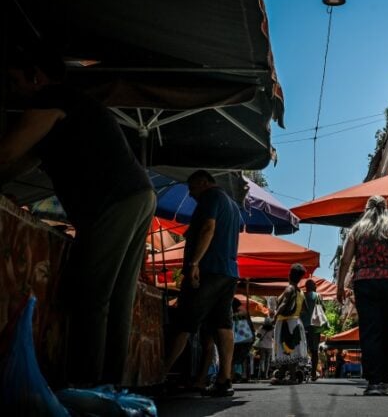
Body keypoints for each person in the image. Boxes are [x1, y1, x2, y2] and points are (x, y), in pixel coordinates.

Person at [0, 45, 156, 386]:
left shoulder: (51, 99)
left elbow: (7, 152)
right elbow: (19, 162)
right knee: (114, 301)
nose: (11, 89)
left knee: (91, 298)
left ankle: (88, 388)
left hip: (115, 200)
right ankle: (109, 389)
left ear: (36, 77)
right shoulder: (71, 105)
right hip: (137, 195)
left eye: (14, 80)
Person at [163, 170, 241, 397]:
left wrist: (195, 262)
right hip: (228, 271)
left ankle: (158, 374)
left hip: (209, 269)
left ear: (203, 183)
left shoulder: (211, 197)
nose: (191, 195)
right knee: (222, 324)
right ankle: (224, 379)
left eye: (192, 189)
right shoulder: (233, 206)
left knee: (184, 322)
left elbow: (208, 227)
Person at [337, 195, 388, 396]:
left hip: (365, 283)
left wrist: (340, 286)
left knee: (370, 330)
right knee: (387, 331)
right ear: (385, 210)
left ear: (366, 209)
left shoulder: (357, 230)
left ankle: (374, 381)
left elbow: (345, 259)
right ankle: (386, 378)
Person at [271, 263, 308, 384]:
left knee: (287, 347)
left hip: (286, 322)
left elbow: (283, 303)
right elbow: (305, 309)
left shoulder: (289, 289)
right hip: (296, 321)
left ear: (289, 275)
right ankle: (282, 374)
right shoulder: (300, 292)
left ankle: (292, 376)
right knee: (291, 348)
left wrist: (275, 316)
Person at [299, 278, 323, 381]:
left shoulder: (302, 295)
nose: (316, 287)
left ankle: (301, 371)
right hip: (314, 326)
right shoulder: (317, 296)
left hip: (302, 326)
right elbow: (323, 309)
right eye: (315, 285)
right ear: (312, 287)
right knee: (314, 351)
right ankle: (313, 374)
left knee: (302, 350)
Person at [231, 298, 255, 382]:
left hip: (241, 335)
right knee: (236, 356)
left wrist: (231, 316)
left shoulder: (233, 301)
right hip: (240, 336)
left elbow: (244, 312)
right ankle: (235, 375)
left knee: (237, 356)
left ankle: (237, 375)